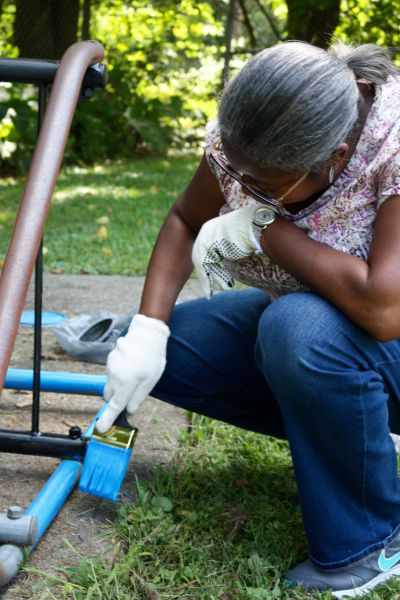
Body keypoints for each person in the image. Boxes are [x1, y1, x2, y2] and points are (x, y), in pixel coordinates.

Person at [96, 40, 400, 597]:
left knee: (297, 331)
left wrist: (265, 227)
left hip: (382, 333)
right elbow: (187, 217)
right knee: (174, 351)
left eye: (262, 183)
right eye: (237, 172)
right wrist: (147, 330)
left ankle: (371, 541)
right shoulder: (255, 129)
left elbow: (384, 310)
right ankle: (357, 434)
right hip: (325, 319)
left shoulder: (392, 144)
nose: (240, 185)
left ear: (333, 156)